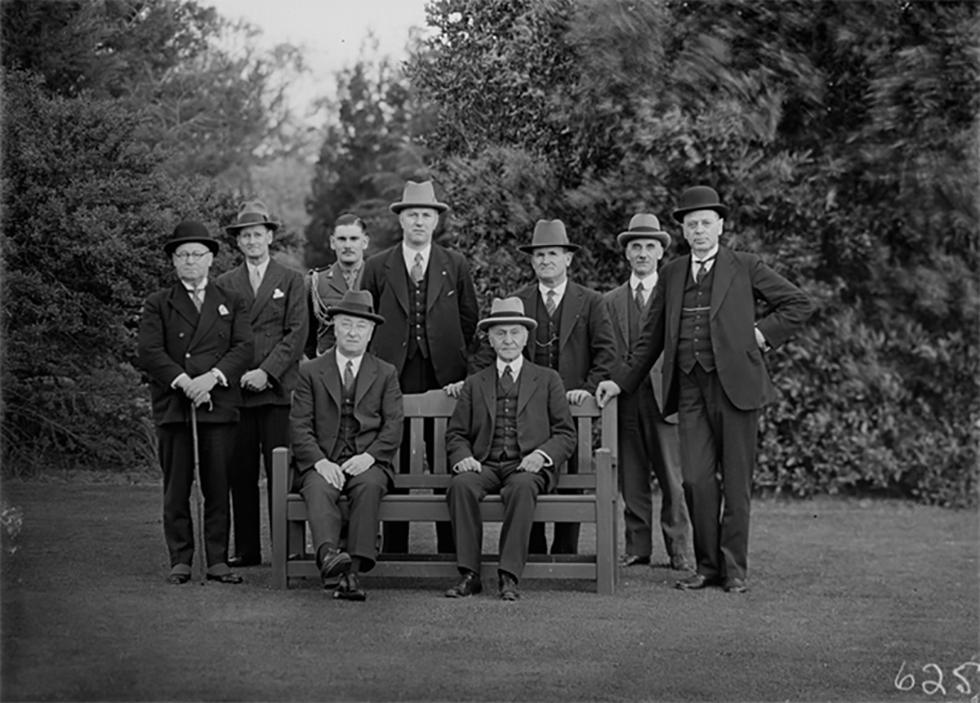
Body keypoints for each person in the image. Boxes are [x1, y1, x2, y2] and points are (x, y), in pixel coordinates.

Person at [597, 186, 814, 594]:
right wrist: (619, 382)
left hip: (736, 389)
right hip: (691, 390)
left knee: (736, 485)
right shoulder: (674, 272)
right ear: (682, 230)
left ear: (720, 225)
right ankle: (707, 567)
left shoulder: (745, 265)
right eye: (691, 224)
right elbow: (651, 338)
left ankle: (734, 571)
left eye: (705, 223)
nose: (698, 230)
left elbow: (797, 304)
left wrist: (760, 336)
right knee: (695, 480)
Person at [470, 219, 615, 556]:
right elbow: (488, 353)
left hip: (572, 409)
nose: (546, 260)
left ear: (568, 259)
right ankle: (533, 552)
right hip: (526, 410)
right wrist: (465, 383)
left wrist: (589, 389)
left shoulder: (591, 301)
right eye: (539, 255)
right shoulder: (518, 302)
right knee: (526, 470)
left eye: (553, 253)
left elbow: (607, 352)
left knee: (572, 476)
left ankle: (565, 553)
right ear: (532, 261)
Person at [360, 179, 479, 554]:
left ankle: (450, 550)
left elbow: (469, 321)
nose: (419, 222)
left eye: (426, 215)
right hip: (394, 376)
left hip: (445, 378)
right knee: (396, 457)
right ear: (400, 220)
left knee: (445, 460)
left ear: (436, 220)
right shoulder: (377, 266)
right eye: (412, 215)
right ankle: (396, 549)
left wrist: (463, 374)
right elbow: (365, 322)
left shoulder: (454, 264)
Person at [136, 220, 253, 585]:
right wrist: (186, 382)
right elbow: (150, 351)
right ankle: (181, 559)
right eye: (182, 254)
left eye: (196, 254)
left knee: (218, 483)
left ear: (210, 259)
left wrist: (210, 379)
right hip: (175, 407)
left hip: (217, 405)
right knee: (177, 486)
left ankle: (217, 559)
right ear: (173, 261)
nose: (190, 261)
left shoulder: (232, 301)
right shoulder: (158, 303)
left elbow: (244, 347)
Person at [443, 298, 576, 601]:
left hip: (526, 465)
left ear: (526, 336)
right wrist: (463, 457)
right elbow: (457, 434)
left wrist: (541, 456)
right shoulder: (475, 383)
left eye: (514, 333)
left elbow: (566, 434)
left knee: (522, 488)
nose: (508, 340)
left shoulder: (547, 379)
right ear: (489, 339)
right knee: (461, 485)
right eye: (500, 334)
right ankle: (470, 574)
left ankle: (509, 575)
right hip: (486, 464)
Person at [290, 289, 404, 600]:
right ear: (335, 328)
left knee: (367, 487)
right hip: (323, 459)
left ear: (371, 333)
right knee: (318, 487)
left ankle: (351, 568)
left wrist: (369, 457)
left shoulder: (385, 373)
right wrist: (320, 462)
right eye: (347, 324)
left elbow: (394, 426)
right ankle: (329, 556)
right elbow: (299, 425)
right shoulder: (311, 371)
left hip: (368, 461)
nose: (353, 332)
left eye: (361, 326)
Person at [216, 201, 308, 568]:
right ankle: (248, 550)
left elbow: (297, 334)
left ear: (269, 237)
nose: (252, 241)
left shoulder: (291, 279)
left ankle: (285, 548)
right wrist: (240, 374)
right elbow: (221, 338)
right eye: (245, 236)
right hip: (238, 393)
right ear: (238, 243)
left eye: (257, 234)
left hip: (277, 392)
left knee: (281, 474)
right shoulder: (224, 283)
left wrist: (266, 372)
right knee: (240, 474)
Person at [603, 213, 692, 571]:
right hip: (626, 400)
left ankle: (679, 549)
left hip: (665, 396)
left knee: (673, 478)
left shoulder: (676, 296)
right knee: (632, 476)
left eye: (649, 246)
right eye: (635, 247)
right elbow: (607, 352)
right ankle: (637, 547)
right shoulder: (608, 301)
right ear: (626, 254)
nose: (642, 253)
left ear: (660, 252)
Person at [305, 213, 370, 358]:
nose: (347, 245)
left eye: (354, 239)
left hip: (368, 368)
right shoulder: (315, 283)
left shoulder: (377, 279)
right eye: (342, 239)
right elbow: (306, 337)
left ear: (365, 242)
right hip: (326, 369)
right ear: (332, 243)